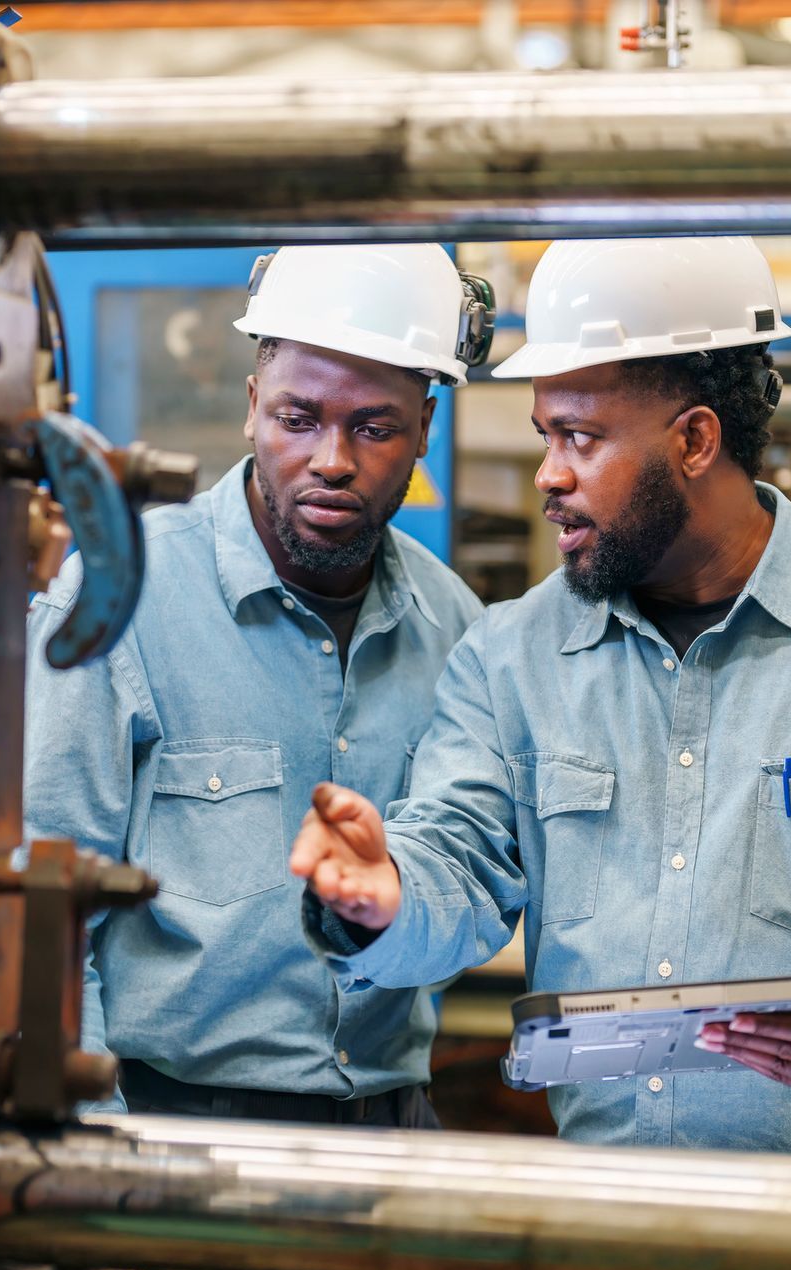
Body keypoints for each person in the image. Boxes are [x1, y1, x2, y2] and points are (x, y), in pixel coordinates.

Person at [288, 236, 791, 1153]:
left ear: (694, 440)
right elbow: (460, 858)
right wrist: (386, 893)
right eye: (544, 436)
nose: (548, 476)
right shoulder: (512, 656)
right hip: (613, 1223)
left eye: (581, 439)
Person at [25, 244, 490, 1125]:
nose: (332, 459)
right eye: (298, 417)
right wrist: (93, 1152)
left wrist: (389, 907)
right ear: (250, 409)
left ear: (426, 428)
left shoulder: (457, 630)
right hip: (171, 1126)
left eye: (376, 427)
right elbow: (43, 900)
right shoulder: (122, 599)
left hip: (393, 1130)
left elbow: (476, 886)